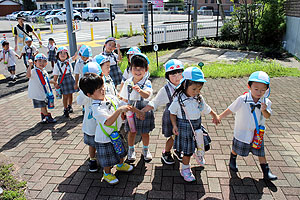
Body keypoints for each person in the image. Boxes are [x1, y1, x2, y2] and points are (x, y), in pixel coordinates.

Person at [218, 71, 277, 180]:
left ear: (267, 89)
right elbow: (231, 109)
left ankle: (266, 172)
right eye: (256, 89)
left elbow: (268, 116)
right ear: (249, 86)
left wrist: (264, 110)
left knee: (260, 152)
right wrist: (219, 117)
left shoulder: (266, 101)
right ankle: (233, 159)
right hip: (242, 131)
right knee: (237, 148)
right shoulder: (242, 99)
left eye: (263, 90)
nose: (259, 92)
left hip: (257, 133)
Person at [79, 73, 134, 185]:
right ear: (89, 95)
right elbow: (108, 122)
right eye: (99, 89)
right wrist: (119, 111)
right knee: (107, 158)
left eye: (102, 86)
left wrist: (132, 108)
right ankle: (107, 173)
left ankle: (120, 165)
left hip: (115, 132)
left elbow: (122, 103)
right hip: (104, 138)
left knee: (119, 150)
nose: (103, 90)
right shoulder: (96, 107)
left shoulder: (110, 97)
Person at [169, 67, 219, 182]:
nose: (196, 92)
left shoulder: (198, 98)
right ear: (185, 84)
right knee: (187, 152)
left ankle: (198, 155)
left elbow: (206, 108)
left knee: (203, 145)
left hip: (197, 127)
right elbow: (172, 113)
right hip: (185, 129)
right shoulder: (178, 100)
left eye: (199, 89)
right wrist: (174, 125)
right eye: (194, 89)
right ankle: (185, 169)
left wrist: (214, 115)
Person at [142, 59, 184, 165]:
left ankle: (178, 150)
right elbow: (155, 102)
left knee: (184, 135)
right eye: (173, 75)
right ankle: (166, 152)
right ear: (167, 76)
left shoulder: (186, 84)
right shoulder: (166, 90)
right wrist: (143, 110)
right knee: (173, 136)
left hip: (184, 116)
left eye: (179, 73)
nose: (177, 77)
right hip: (172, 116)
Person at [119, 53, 154, 162]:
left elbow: (147, 95)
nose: (138, 71)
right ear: (130, 69)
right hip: (130, 110)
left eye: (141, 69)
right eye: (135, 68)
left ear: (146, 69)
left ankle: (146, 149)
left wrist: (140, 90)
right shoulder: (128, 82)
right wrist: (122, 111)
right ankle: (131, 150)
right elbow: (123, 98)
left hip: (143, 109)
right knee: (132, 132)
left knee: (145, 132)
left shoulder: (147, 82)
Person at [77, 62, 103, 172]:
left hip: (102, 121)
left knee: (103, 141)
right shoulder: (84, 91)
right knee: (92, 144)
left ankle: (102, 158)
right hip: (91, 123)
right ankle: (92, 159)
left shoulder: (102, 85)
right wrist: (85, 92)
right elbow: (79, 101)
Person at [26, 53, 56, 124]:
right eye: (39, 61)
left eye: (44, 61)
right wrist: (30, 66)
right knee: (42, 105)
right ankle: (48, 116)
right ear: (35, 62)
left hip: (43, 93)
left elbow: (47, 80)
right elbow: (28, 75)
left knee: (44, 105)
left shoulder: (44, 71)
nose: (42, 63)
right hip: (37, 93)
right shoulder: (33, 71)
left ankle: (44, 117)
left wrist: (54, 83)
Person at [52, 46, 79, 117]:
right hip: (63, 81)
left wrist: (78, 50)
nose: (63, 55)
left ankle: (70, 106)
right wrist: (55, 84)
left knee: (71, 94)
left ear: (67, 55)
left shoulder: (68, 61)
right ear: (58, 55)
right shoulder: (57, 65)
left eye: (65, 53)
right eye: (61, 53)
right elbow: (55, 76)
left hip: (70, 79)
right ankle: (65, 108)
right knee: (65, 96)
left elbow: (74, 57)